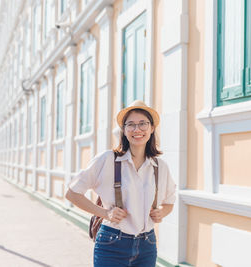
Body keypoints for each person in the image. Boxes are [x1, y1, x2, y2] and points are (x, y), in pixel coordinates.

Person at [66, 100, 176, 267]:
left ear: (152, 128)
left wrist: (162, 212)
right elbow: (72, 193)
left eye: (143, 124)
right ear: (124, 131)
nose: (137, 129)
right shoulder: (107, 159)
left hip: (147, 245)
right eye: (130, 124)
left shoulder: (160, 166)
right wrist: (105, 213)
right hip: (112, 245)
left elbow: (169, 202)